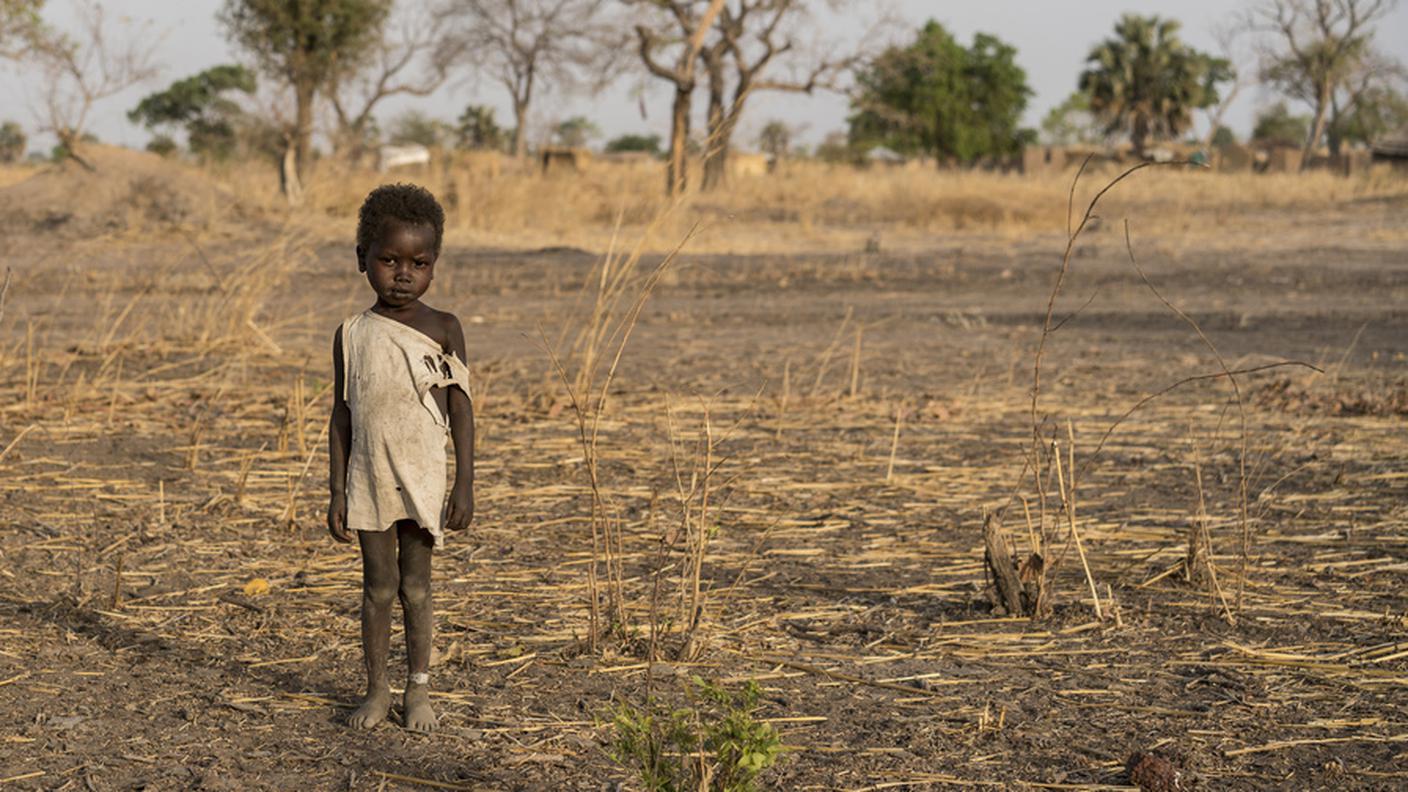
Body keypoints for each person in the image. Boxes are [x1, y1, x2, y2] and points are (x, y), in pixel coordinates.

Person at [327, 183, 474, 733]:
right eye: (388, 260)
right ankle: (375, 690)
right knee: (377, 587)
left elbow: (461, 409)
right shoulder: (351, 334)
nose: (403, 273)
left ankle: (418, 690)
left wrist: (464, 483)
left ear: (435, 264)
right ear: (362, 260)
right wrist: (336, 488)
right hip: (369, 474)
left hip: (423, 474)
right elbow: (341, 414)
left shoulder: (444, 329)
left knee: (416, 586)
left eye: (419, 262)